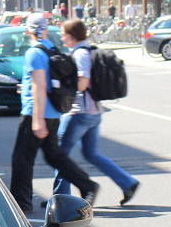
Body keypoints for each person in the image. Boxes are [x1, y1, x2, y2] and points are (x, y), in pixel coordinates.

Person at [9, 12, 100, 215]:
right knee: (54, 156)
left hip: (37, 112)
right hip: (54, 112)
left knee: (22, 159)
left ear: (28, 31)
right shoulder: (51, 48)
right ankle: (87, 185)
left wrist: (37, 120)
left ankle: (21, 204)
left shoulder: (34, 53)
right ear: (45, 30)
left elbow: (39, 86)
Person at [52, 19, 140, 207]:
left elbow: (83, 83)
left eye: (64, 34)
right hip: (93, 112)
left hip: (81, 113)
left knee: (60, 154)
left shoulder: (81, 54)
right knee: (91, 154)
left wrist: (61, 85)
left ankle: (61, 199)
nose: (61, 37)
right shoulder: (86, 51)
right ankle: (128, 183)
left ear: (72, 35)